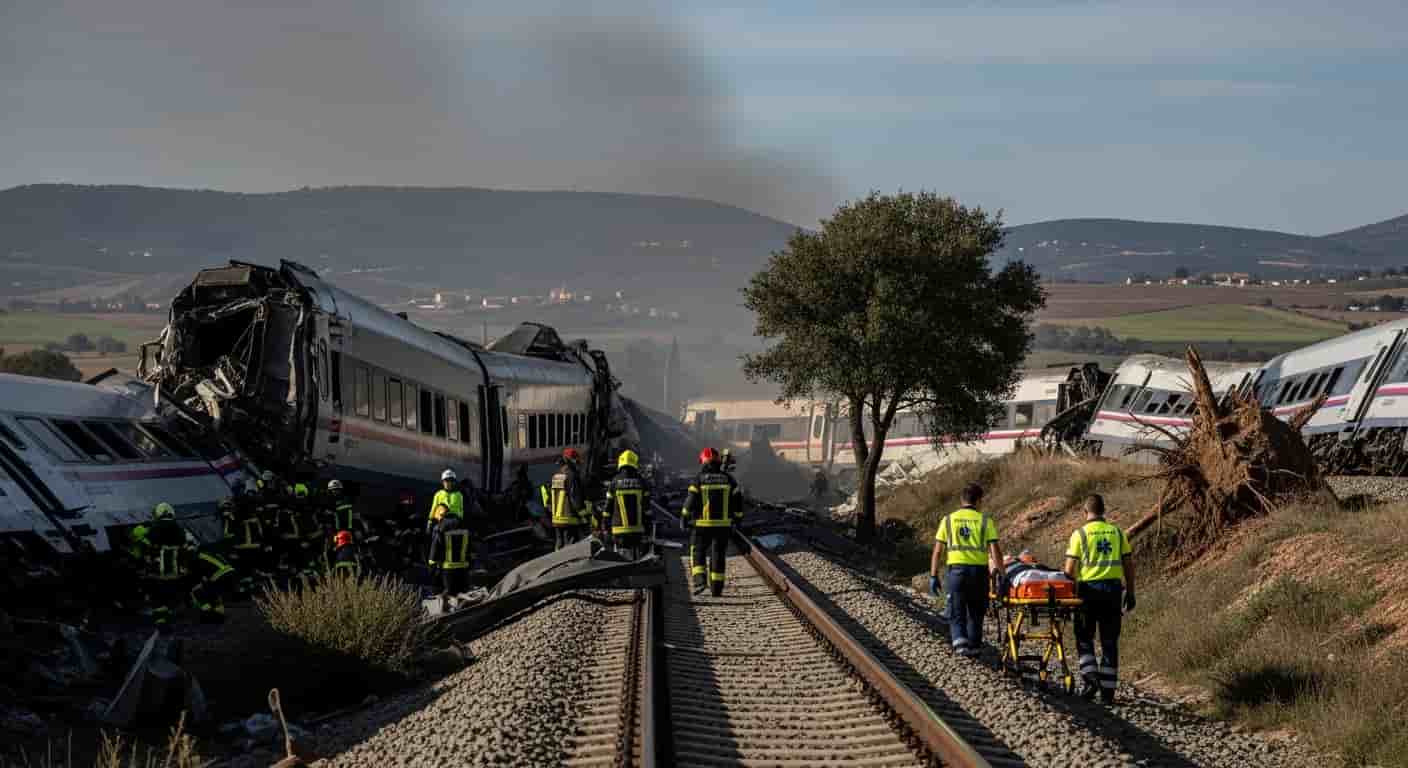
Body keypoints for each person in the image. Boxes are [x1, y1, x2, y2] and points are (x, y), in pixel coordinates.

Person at [1063, 494, 1135, 704]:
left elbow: (1069, 570)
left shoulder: (1080, 534)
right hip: (1113, 592)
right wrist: (1131, 592)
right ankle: (1108, 693)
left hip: (1087, 592)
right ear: (1104, 511)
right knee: (1110, 641)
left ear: (1085, 512)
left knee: (1084, 637)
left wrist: (1069, 593)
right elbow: (1128, 565)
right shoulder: (1118, 533)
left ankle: (1090, 678)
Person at [929, 483, 1002, 658]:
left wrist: (933, 575)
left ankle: (960, 643)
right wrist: (1003, 574)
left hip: (957, 572)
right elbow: (995, 552)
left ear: (961, 500)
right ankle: (974, 645)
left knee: (957, 608)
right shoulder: (985, 521)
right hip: (979, 573)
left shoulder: (948, 520)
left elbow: (937, 551)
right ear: (979, 501)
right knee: (977, 610)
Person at [681, 448, 743, 596]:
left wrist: (684, 517)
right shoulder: (729, 479)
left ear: (703, 462)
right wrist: (737, 519)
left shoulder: (699, 479)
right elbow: (738, 501)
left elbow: (690, 500)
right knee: (718, 554)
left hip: (702, 526)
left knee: (698, 550)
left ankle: (700, 581)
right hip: (723, 526)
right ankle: (716, 588)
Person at [143, 503, 188, 629]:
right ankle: (168, 615)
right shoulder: (179, 528)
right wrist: (184, 567)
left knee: (157, 595)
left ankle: (161, 620)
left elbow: (148, 549)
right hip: (174, 569)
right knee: (170, 593)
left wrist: (147, 566)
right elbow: (184, 549)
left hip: (158, 570)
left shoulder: (154, 528)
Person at [605, 449, 652, 559]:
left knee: (620, 559)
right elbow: (647, 509)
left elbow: (608, 509)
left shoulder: (614, 482)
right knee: (636, 559)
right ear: (634, 463)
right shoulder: (642, 482)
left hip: (618, 530)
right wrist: (648, 528)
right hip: (637, 530)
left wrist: (606, 527)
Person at [426, 506, 472, 612]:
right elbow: (471, 547)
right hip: (464, 568)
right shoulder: (464, 524)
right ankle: (465, 611)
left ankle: (449, 612)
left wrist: (432, 566)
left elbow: (435, 549)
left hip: (448, 569)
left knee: (451, 594)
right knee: (462, 592)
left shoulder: (440, 526)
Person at [548, 448, 589, 550]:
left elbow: (550, 499)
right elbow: (575, 498)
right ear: (571, 461)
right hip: (569, 520)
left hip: (557, 520)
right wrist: (586, 516)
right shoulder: (571, 475)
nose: (578, 464)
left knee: (559, 547)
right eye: (577, 461)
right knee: (570, 549)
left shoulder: (556, 476)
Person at [187, 544, 236, 624]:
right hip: (230, 573)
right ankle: (219, 614)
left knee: (197, 591)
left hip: (220, 576)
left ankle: (209, 614)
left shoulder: (194, 558)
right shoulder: (205, 553)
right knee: (212, 593)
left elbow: (196, 577)